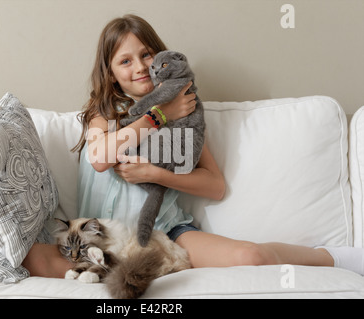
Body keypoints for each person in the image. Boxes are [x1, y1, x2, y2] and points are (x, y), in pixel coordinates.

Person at [22, 14, 363, 278]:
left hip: (167, 231)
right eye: (125, 61)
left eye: (145, 54)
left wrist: (155, 173)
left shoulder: (186, 110)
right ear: (110, 72)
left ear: (161, 58)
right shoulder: (105, 111)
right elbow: (99, 157)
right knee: (34, 257)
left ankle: (332, 257)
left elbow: (214, 185)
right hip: (101, 242)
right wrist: (158, 115)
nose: (139, 66)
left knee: (252, 258)